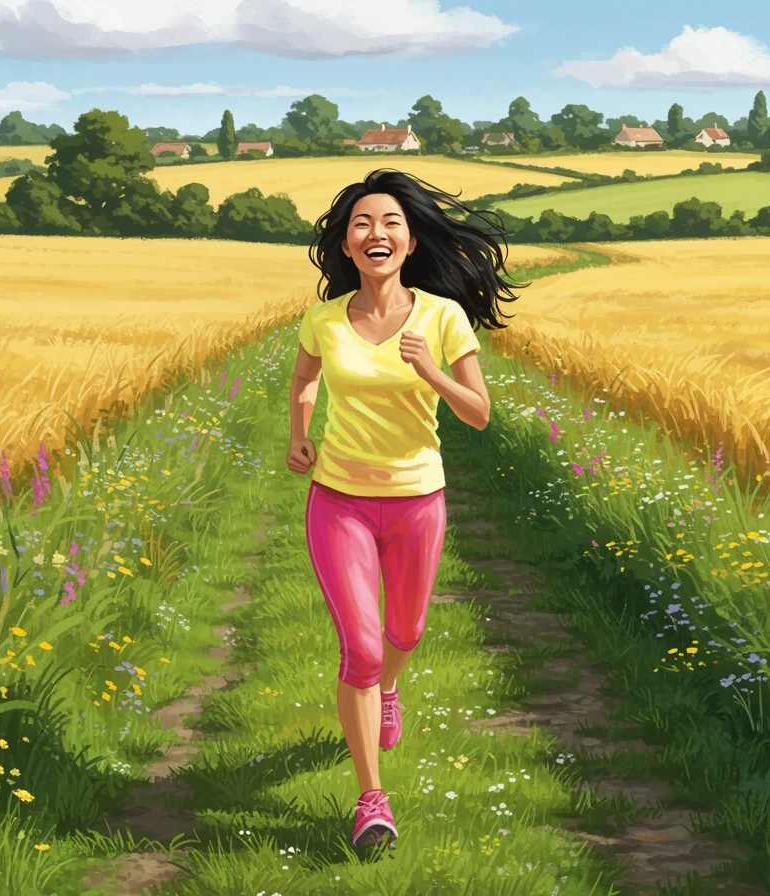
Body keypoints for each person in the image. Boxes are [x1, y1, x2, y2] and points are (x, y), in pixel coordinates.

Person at [287, 169, 523, 849]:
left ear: (412, 240)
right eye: (362, 224)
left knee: (406, 634)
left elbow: (478, 415)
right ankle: (371, 799)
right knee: (360, 648)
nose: (376, 233)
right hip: (340, 503)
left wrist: (432, 370)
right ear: (348, 246)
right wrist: (300, 435)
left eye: (390, 222)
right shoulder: (324, 320)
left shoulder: (442, 319)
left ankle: (388, 689)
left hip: (418, 500)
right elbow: (305, 380)